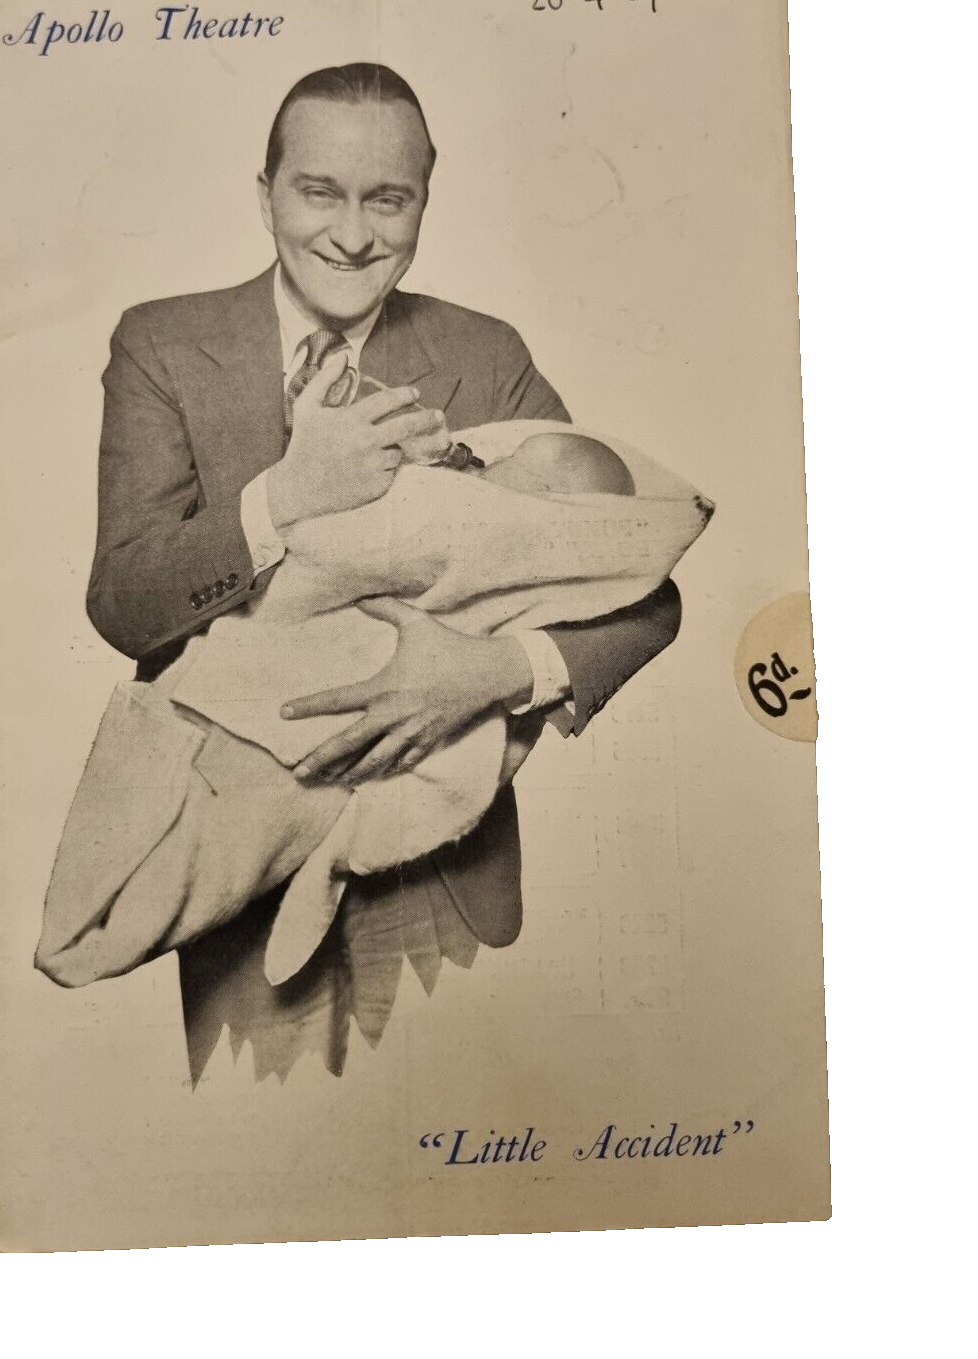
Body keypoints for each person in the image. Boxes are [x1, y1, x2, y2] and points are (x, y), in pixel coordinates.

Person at [84, 63, 683, 1081]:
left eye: (388, 199)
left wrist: (494, 672)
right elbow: (125, 604)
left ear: (424, 203)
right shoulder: (165, 345)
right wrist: (284, 496)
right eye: (320, 191)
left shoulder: (485, 352)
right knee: (266, 1140)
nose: (354, 235)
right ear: (265, 193)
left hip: (445, 875)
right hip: (236, 862)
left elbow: (633, 577)